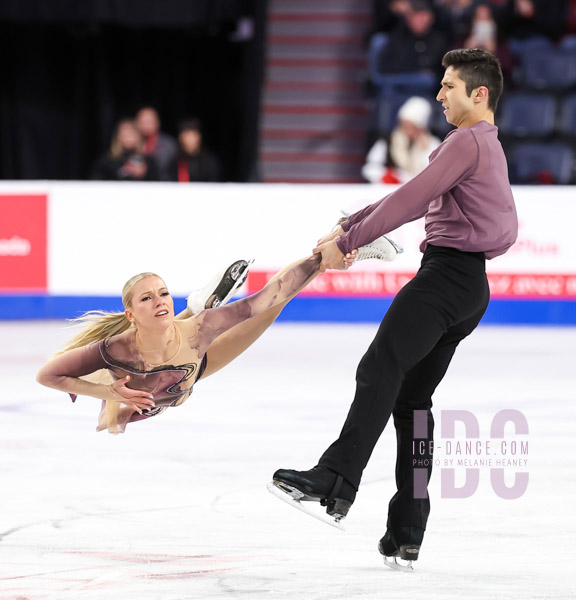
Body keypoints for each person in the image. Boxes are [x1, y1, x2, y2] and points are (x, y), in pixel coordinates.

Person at [271, 48, 518, 569]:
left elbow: (410, 199)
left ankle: (337, 476)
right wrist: (347, 228)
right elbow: (412, 193)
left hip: (445, 279)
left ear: (479, 94)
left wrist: (351, 238)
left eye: (448, 87)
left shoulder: (466, 140)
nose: (439, 95)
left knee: (379, 366)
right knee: (413, 402)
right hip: (471, 288)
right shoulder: (484, 144)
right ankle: (409, 524)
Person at [36, 237, 401, 435]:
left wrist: (331, 255)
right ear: (130, 314)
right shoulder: (114, 349)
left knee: (274, 306)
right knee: (109, 424)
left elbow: (268, 295)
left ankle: (344, 236)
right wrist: (107, 391)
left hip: (196, 361)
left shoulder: (200, 331)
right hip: (157, 380)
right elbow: (47, 375)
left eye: (163, 293)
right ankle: (199, 302)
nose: (159, 300)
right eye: (147, 298)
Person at [362, 96, 441, 184]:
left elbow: (435, 172)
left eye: (411, 127)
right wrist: (384, 175)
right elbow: (370, 168)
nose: (407, 130)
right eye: (404, 125)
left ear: (421, 127)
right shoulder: (388, 141)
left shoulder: (432, 144)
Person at [91, 119, 160, 182]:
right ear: (118, 137)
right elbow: (95, 181)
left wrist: (144, 174)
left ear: (138, 137)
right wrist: (121, 174)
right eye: (125, 135)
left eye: (131, 134)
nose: (128, 138)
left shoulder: (148, 161)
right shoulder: (108, 160)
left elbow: (159, 183)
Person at [168, 118, 222, 183]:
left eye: (193, 135)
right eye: (187, 135)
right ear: (180, 137)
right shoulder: (174, 162)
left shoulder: (209, 161)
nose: (190, 139)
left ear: (199, 136)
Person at [135, 107, 179, 181]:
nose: (145, 125)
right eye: (142, 122)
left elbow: (164, 168)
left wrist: (147, 167)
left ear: (157, 122)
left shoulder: (168, 143)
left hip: (162, 185)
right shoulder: (133, 142)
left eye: (148, 121)